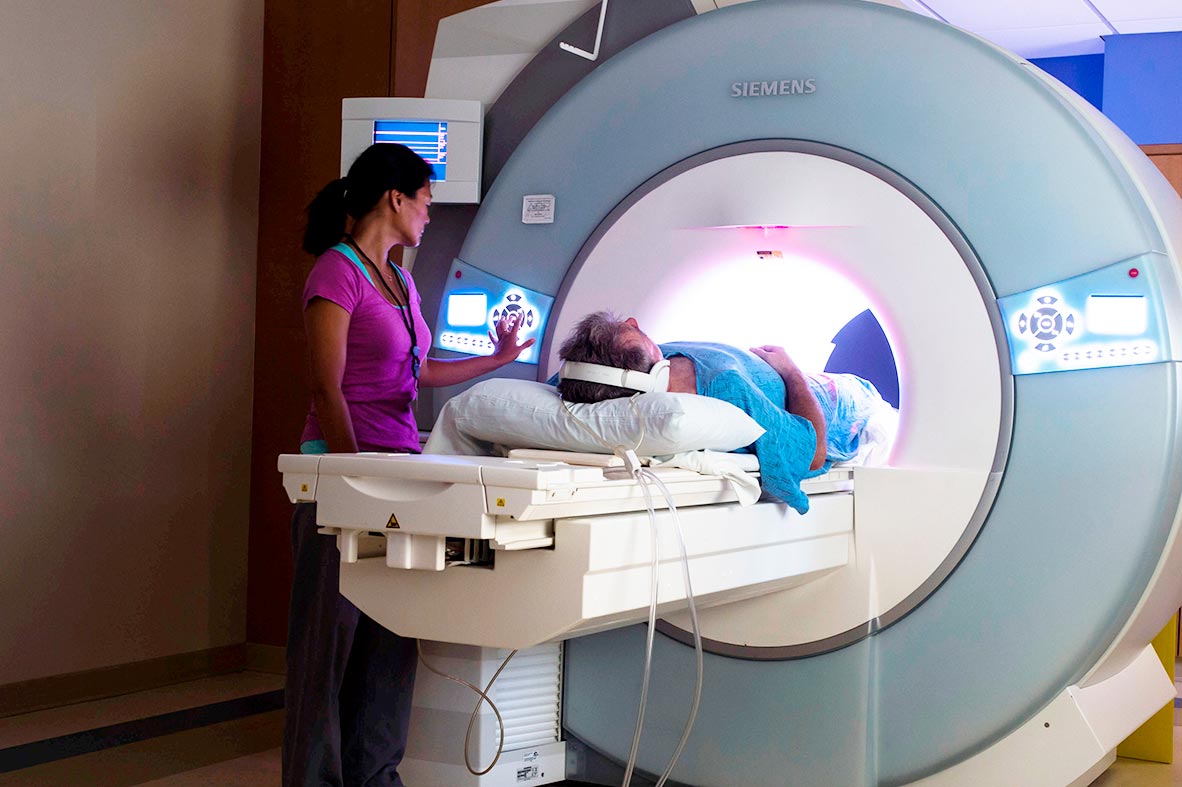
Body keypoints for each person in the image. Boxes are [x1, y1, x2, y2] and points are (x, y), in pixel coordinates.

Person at [285, 142, 534, 786]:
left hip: (402, 476)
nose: (429, 214)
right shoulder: (335, 274)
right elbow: (325, 387)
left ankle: (377, 778)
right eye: (426, 201)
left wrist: (499, 357)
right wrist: (352, 479)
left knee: (390, 644)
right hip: (339, 481)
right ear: (395, 199)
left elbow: (420, 373)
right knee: (327, 655)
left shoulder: (398, 278)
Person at [556, 311, 892, 514]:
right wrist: (791, 371)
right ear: (647, 379)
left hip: (796, 380)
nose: (635, 322)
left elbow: (567, 378)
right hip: (837, 399)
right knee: (871, 401)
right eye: (637, 333)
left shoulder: (585, 374)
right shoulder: (724, 386)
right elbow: (814, 453)